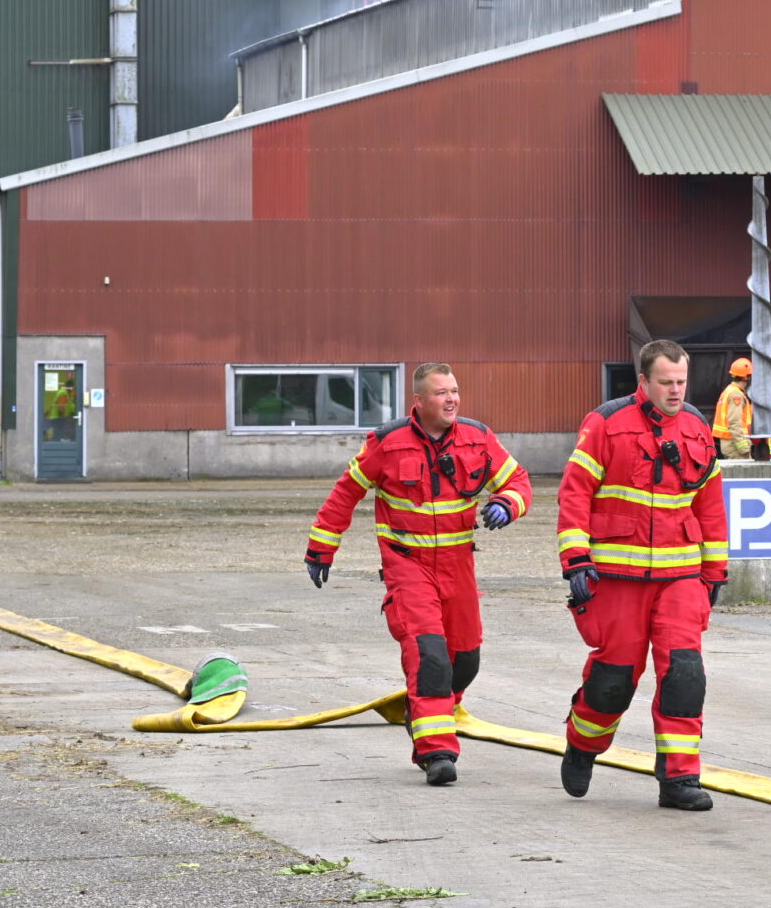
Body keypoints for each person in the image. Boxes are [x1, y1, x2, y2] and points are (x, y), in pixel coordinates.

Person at [304, 364, 529, 785]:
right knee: (430, 655)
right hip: (408, 565)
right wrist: (321, 548)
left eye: (456, 391)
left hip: (459, 565)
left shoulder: (478, 437)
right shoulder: (387, 444)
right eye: (442, 393)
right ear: (419, 402)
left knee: (465, 661)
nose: (451, 400)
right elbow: (345, 494)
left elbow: (517, 479)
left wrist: (508, 503)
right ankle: (436, 751)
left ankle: (426, 709)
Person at [554, 338, 726, 812]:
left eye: (681, 381)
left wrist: (714, 573)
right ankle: (583, 745)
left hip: (681, 576)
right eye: (666, 382)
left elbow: (710, 505)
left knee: (685, 675)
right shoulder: (605, 423)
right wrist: (576, 559)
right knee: (613, 680)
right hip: (618, 577)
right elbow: (574, 494)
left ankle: (679, 780)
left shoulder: (696, 426)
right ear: (644, 381)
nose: (675, 390)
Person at [710, 356, 755, 463]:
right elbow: (734, 423)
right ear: (745, 377)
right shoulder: (736, 395)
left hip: (730, 443)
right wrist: (744, 448)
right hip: (735, 446)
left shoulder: (729, 391)